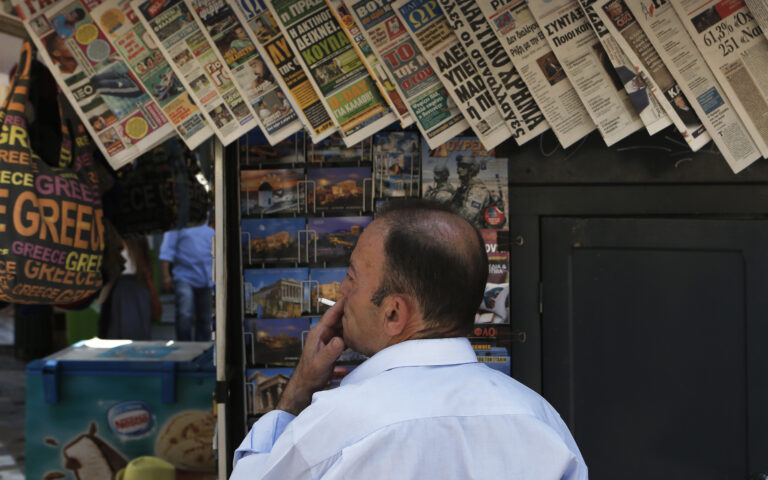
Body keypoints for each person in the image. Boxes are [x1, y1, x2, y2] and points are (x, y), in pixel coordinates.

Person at [230, 200, 587, 479]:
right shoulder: (539, 420)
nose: (342, 291)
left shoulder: (334, 426)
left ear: (394, 314)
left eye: (352, 278)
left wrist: (296, 395)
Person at [159, 222, 215, 341]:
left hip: (206, 280)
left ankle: (202, 348)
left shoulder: (210, 232)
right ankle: (184, 345)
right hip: (183, 278)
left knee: (205, 318)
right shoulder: (175, 231)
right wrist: (166, 276)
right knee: (184, 313)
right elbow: (166, 254)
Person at [99, 236, 162, 340]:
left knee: (124, 332)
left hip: (126, 289)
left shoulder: (123, 241)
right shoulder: (136, 241)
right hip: (132, 289)